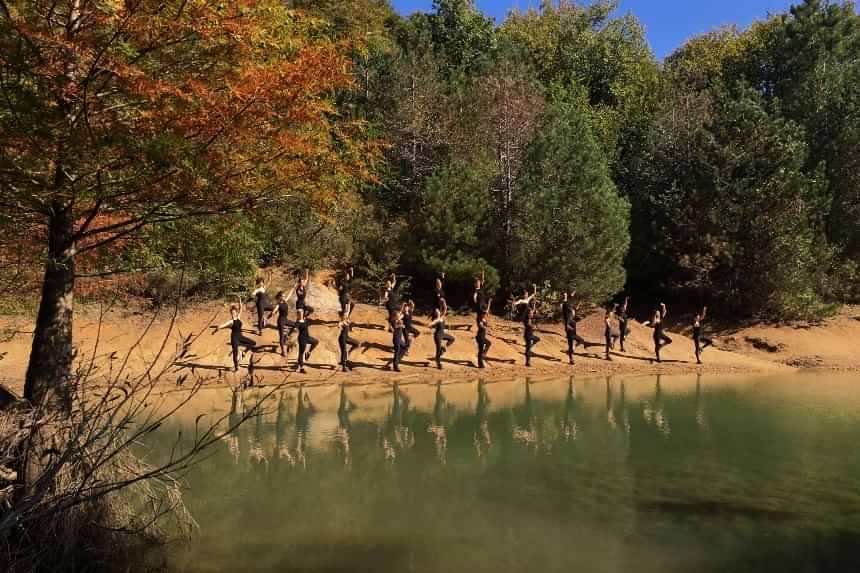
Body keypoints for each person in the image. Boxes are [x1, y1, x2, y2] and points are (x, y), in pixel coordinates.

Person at [213, 298, 257, 372]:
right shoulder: (230, 321)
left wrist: (240, 302)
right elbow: (223, 325)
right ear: (231, 313)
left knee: (253, 343)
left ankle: (244, 352)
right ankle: (236, 367)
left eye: (234, 312)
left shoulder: (238, 317)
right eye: (232, 313)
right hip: (234, 338)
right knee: (235, 353)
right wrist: (218, 328)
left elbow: (241, 309)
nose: (233, 314)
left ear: (236, 313)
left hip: (240, 337)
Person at [268, 290, 294, 356]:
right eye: (283, 296)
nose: (284, 297)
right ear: (280, 297)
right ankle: (283, 351)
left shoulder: (285, 301)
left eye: (284, 296)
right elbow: (274, 310)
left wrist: (294, 287)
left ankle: (287, 336)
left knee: (296, 325)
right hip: (281, 321)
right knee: (281, 336)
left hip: (286, 319)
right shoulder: (278, 304)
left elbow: (290, 294)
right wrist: (273, 313)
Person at [294, 308, 318, 374]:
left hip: (307, 337)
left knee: (316, 341)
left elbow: (311, 310)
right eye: (299, 313)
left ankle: (309, 352)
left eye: (302, 313)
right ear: (298, 315)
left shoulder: (304, 319)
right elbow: (295, 328)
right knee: (301, 353)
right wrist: (295, 329)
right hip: (302, 339)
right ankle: (301, 367)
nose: (301, 314)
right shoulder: (297, 322)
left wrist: (308, 310)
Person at [564, 301, 587, 365]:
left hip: (574, 334)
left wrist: (579, 304)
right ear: (571, 312)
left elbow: (576, 309)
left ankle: (573, 347)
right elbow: (567, 325)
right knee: (570, 347)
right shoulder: (569, 318)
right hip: (570, 334)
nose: (575, 312)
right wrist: (570, 328)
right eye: (573, 311)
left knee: (581, 340)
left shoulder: (573, 318)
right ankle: (571, 359)